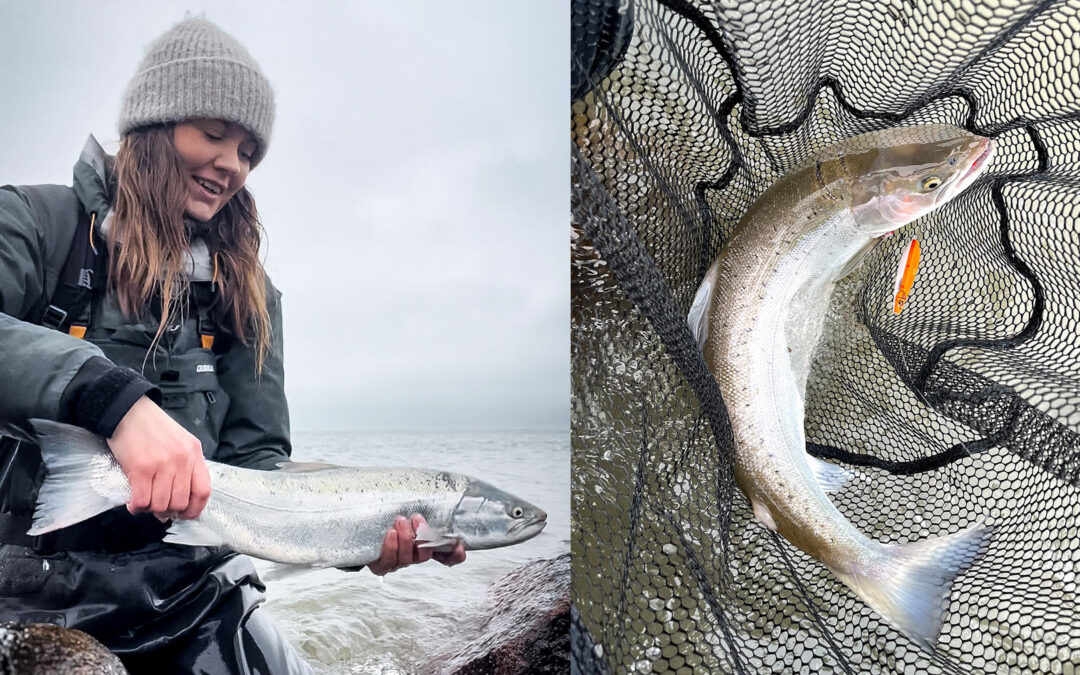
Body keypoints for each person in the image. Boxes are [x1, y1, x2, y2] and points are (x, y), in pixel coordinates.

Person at [0, 16, 465, 673]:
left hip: (194, 591)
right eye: (213, 135)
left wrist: (358, 535)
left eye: (248, 151)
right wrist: (111, 401)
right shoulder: (37, 223)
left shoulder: (248, 291)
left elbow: (259, 460)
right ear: (153, 129)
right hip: (27, 589)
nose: (232, 165)